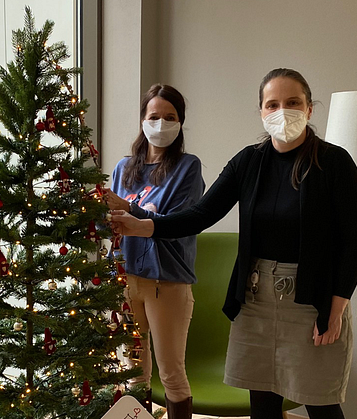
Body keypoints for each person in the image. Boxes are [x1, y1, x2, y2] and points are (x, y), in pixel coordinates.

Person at [111, 69, 357, 419]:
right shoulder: (248, 161)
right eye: (272, 104)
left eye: (293, 102)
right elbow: (201, 214)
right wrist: (147, 227)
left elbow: (355, 243)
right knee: (261, 404)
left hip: (313, 297)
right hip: (255, 296)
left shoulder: (335, 162)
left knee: (320, 401)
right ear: (262, 112)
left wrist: (336, 308)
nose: (283, 111)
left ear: (309, 109)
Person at [102, 84, 204, 419]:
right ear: (143, 120)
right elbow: (116, 224)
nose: (161, 123)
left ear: (180, 122)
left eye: (170, 117)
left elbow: (175, 223)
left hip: (168, 284)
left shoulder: (187, 168)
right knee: (134, 372)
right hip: (127, 279)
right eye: (154, 116)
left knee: (171, 372)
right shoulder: (123, 168)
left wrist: (128, 209)